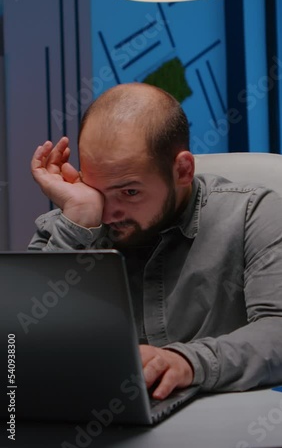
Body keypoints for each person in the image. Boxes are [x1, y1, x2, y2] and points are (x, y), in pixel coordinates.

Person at [29, 82, 282, 401]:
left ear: (183, 170)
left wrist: (188, 362)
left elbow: (278, 331)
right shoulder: (71, 225)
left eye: (130, 192)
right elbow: (20, 347)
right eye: (96, 188)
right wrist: (78, 221)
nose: (110, 213)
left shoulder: (252, 214)